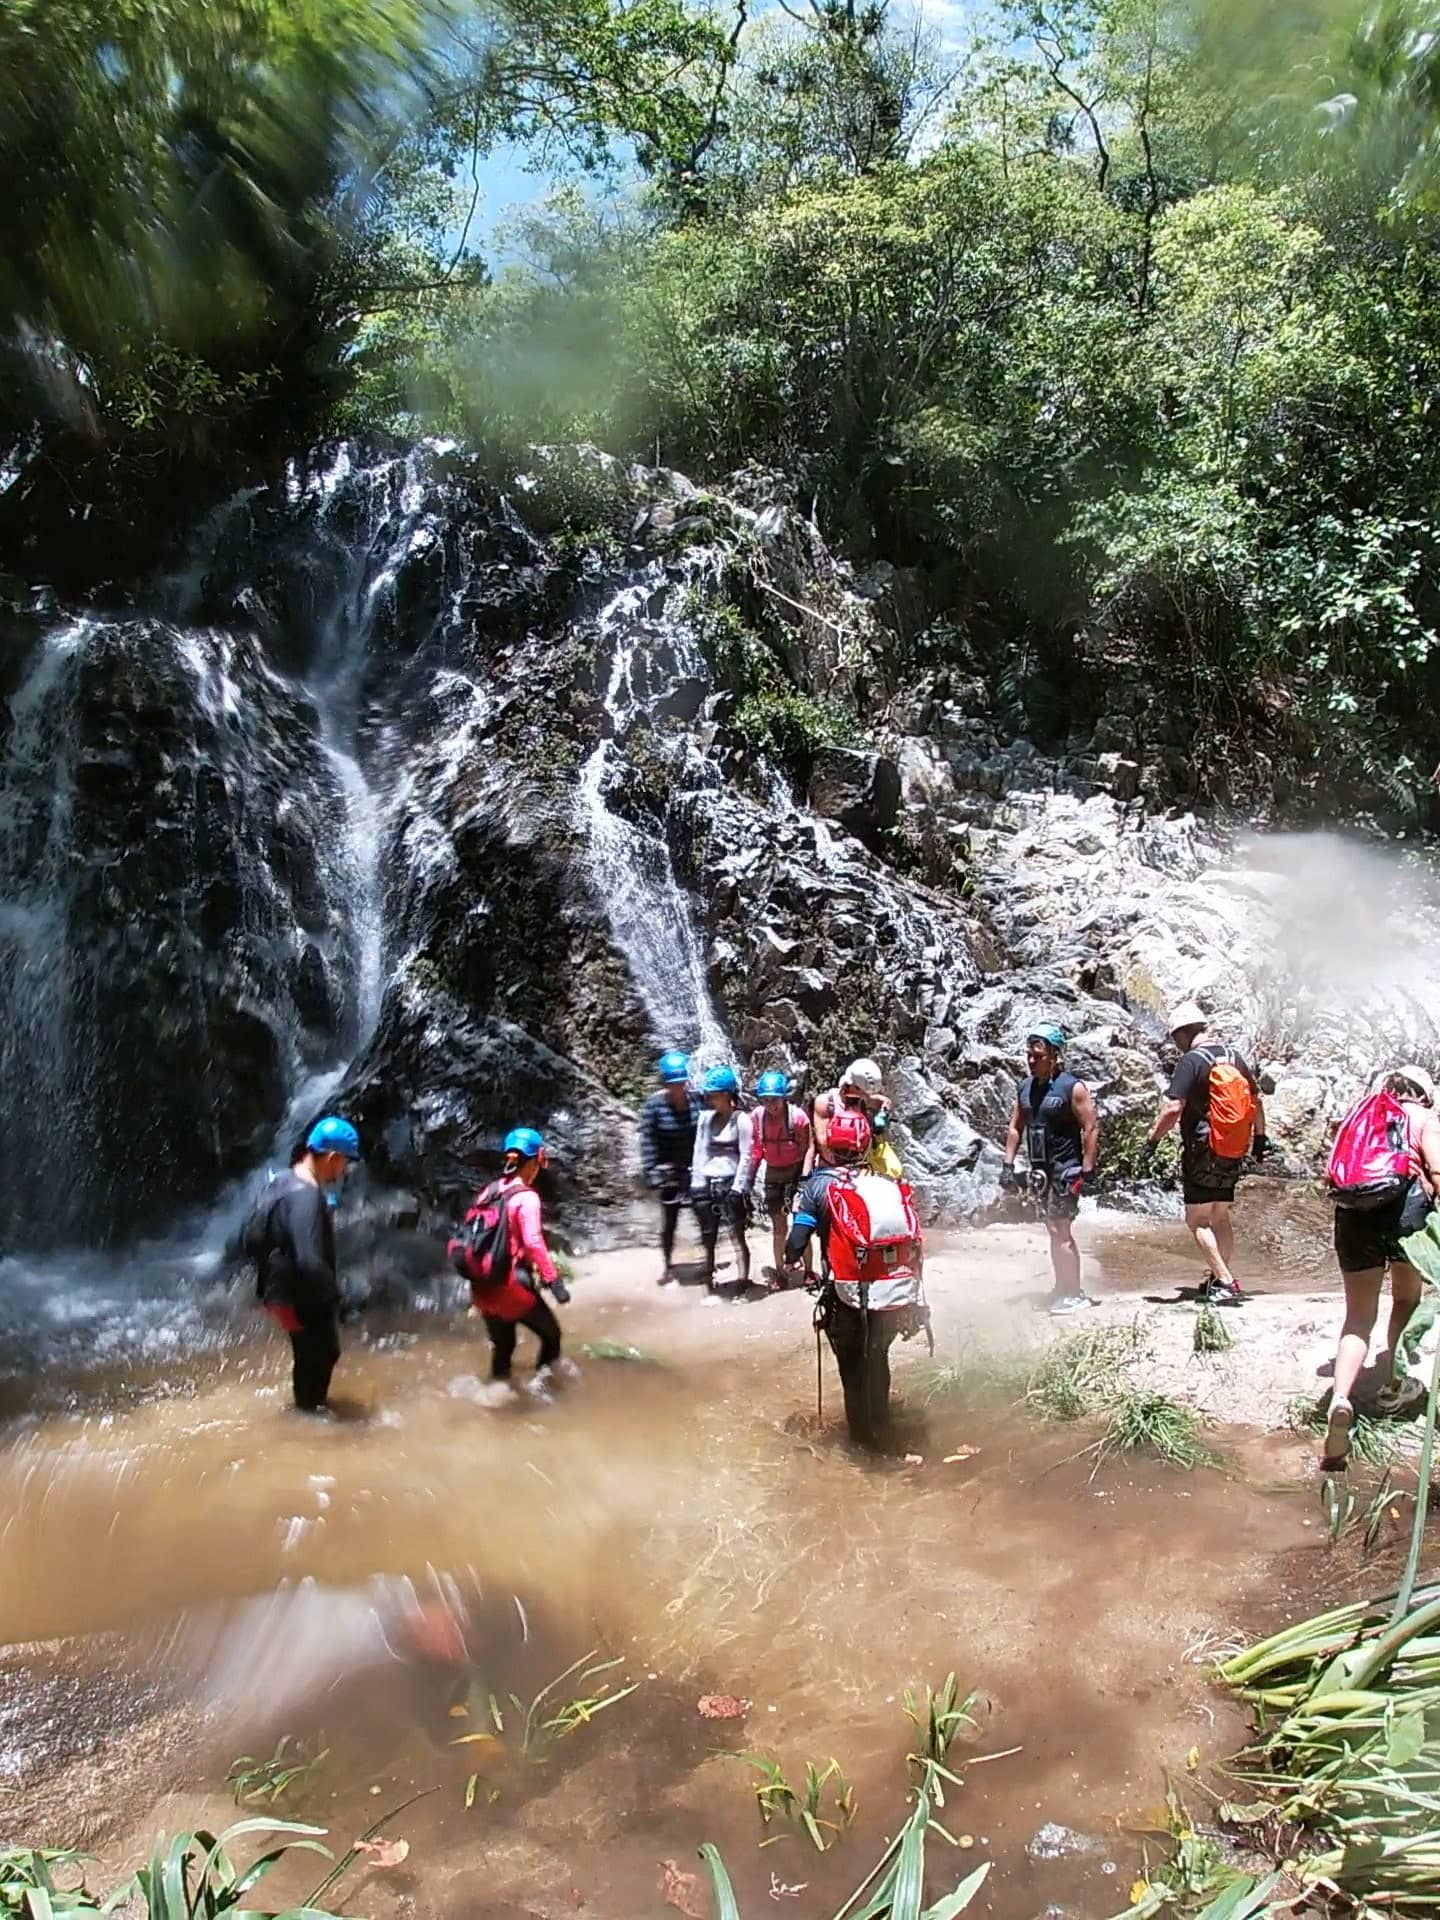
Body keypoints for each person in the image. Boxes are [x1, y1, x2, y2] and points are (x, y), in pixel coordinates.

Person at [784, 1110, 927, 1449]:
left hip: (846, 1295)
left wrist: (793, 1259)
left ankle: (865, 1448)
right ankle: (884, 1426)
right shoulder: (882, 1181)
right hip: (890, 1292)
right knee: (878, 1357)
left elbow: (795, 1245)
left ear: (830, 1144)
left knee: (853, 1372)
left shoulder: (818, 1186)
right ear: (865, 1144)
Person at [1322, 1066, 1440, 1470]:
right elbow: (1438, 1169)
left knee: (1358, 1317)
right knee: (1406, 1299)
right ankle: (1392, 1385)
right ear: (1424, 1095)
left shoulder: (1362, 1113)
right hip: (1405, 1212)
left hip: (1354, 1216)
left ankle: (1340, 1398)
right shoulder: (1423, 1118)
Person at [1145, 1001, 1269, 1306]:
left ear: (1183, 1034)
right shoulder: (1234, 1057)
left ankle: (1226, 1282)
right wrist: (1260, 1139)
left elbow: (1174, 1107)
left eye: (1176, 1038)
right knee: (1220, 1214)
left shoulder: (1191, 1061)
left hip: (1203, 1148)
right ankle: (1217, 1278)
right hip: (1233, 1147)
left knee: (1197, 1220)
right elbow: (1256, 1102)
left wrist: (1152, 1140)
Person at [246, 1115, 361, 1415]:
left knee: (307, 1353)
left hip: (276, 1291)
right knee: (322, 1354)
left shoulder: (280, 1181)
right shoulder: (306, 1196)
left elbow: (250, 1236)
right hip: (301, 1295)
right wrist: (336, 1299)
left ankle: (304, 1410)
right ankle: (309, 1420)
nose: (345, 1169)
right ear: (332, 1157)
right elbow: (310, 1260)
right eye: (344, 1161)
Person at [450, 1127, 574, 1402]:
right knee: (552, 1336)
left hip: (482, 1287)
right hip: (510, 1286)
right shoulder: (526, 1198)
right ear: (535, 1161)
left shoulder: (489, 1191)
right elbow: (532, 1242)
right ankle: (548, 1394)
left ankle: (497, 1394)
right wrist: (553, 1280)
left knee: (503, 1345)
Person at [1000, 1023, 1101, 1316]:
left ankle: (1074, 1293)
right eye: (1028, 1055)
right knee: (1053, 1229)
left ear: (1054, 1056)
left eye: (1038, 1055)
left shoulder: (1072, 1087)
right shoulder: (1025, 1088)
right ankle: (1062, 1287)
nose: (1031, 1060)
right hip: (1040, 1172)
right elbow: (1015, 1128)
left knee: (1061, 1228)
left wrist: (1088, 1168)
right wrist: (1008, 1164)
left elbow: (1091, 1126)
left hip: (1066, 1170)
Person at [639, 1050, 700, 1286]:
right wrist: (653, 1172)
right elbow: (647, 1140)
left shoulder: (697, 1100)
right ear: (665, 1083)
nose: (678, 1087)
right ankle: (667, 1265)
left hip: (694, 1168)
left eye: (681, 1082)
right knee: (670, 1222)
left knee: (704, 1216)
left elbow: (706, 1131)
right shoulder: (654, 1106)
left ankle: (710, 1262)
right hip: (668, 1172)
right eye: (673, 1083)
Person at [691, 1065, 754, 1293]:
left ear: (727, 1095)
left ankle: (743, 1280)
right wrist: (696, 1185)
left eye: (714, 1095)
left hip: (730, 1184)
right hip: (708, 1183)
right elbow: (700, 1151)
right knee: (709, 1236)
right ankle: (710, 1284)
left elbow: (747, 1156)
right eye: (708, 1095)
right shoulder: (705, 1119)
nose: (709, 1099)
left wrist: (738, 1190)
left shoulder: (742, 1120)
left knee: (736, 1235)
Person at [747, 1069, 812, 1283]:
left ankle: (809, 1271)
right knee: (779, 1228)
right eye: (765, 1100)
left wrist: (805, 1178)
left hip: (796, 1173)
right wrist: (748, 1179)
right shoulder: (757, 1117)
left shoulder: (798, 1118)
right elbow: (756, 1150)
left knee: (801, 1223)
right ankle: (779, 1271)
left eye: (773, 1100)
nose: (770, 1105)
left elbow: (808, 1147)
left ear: (783, 1097)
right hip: (773, 1175)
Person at [811, 1057, 898, 1176]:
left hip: (859, 1165)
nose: (865, 1095)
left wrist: (883, 1113)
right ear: (851, 1085)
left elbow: (885, 1102)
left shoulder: (861, 1098)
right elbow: (823, 1142)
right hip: (830, 1167)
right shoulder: (826, 1103)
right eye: (862, 1091)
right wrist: (841, 1168)